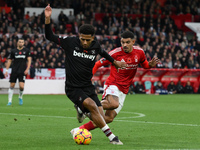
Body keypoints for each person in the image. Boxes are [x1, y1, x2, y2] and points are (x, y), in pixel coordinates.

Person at [44, 4, 126, 145]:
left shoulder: (95, 45)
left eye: (88, 40)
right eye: (82, 39)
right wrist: (47, 18)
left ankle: (81, 110)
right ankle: (112, 138)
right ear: (79, 36)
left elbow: (104, 53)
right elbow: (49, 35)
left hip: (87, 86)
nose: (85, 42)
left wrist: (115, 62)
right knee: (92, 106)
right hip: (73, 88)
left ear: (93, 38)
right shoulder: (70, 42)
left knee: (99, 116)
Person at [71, 30, 160, 137]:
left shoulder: (139, 52)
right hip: (113, 83)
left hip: (124, 89)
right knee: (113, 104)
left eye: (127, 42)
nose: (125, 45)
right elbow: (97, 64)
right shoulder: (115, 53)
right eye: (123, 42)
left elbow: (145, 65)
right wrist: (88, 78)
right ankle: (85, 106)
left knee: (108, 118)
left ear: (133, 41)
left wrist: (150, 65)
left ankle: (78, 130)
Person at [4, 38, 31, 106]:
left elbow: (29, 60)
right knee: (12, 85)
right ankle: (9, 101)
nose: (21, 43)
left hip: (22, 71)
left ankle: (20, 97)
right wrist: (6, 70)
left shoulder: (26, 51)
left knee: (21, 86)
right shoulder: (13, 51)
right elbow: (9, 60)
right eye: (19, 42)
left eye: (22, 42)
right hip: (14, 71)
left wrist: (27, 69)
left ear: (24, 43)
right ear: (17, 43)